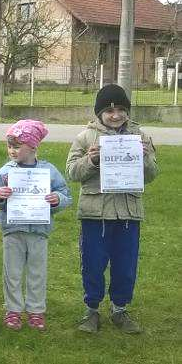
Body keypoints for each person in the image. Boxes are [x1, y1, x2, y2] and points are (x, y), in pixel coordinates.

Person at [66, 84, 158, 334]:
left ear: (127, 111)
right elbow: (72, 172)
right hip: (95, 214)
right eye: (109, 110)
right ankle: (91, 311)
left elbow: (151, 175)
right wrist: (91, 159)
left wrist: (145, 157)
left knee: (125, 264)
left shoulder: (141, 137)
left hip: (129, 214)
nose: (115, 115)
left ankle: (120, 309)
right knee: (93, 263)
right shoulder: (85, 137)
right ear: (99, 113)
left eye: (120, 109)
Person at [0, 119, 71, 331]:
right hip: (12, 231)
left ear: (33, 146)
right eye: (9, 146)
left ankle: (36, 311)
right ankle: (13, 311)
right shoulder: (5, 172)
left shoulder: (48, 171)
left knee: (37, 273)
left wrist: (57, 199)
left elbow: (66, 194)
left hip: (39, 232)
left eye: (17, 146)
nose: (12, 151)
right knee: (12, 273)